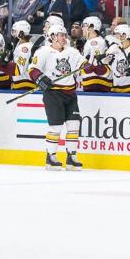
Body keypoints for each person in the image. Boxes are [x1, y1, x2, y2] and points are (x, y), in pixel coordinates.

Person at [28, 19, 86, 170]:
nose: (64, 37)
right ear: (52, 36)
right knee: (56, 126)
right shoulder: (43, 52)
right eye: (60, 35)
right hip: (53, 94)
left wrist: (99, 63)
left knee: (74, 125)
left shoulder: (72, 51)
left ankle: (71, 156)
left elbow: (85, 66)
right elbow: (32, 69)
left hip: (70, 94)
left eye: (64, 35)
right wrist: (41, 79)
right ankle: (51, 156)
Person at [80, 16, 111, 92]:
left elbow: (96, 66)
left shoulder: (95, 42)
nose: (82, 28)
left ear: (91, 27)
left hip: (96, 83)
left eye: (84, 25)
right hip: (96, 82)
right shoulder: (95, 41)